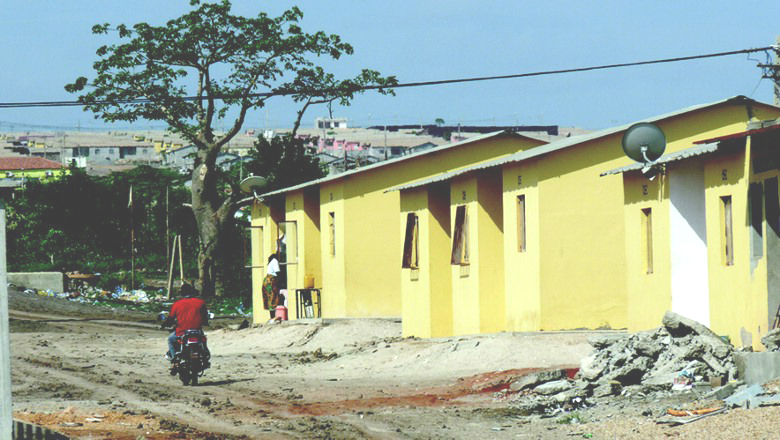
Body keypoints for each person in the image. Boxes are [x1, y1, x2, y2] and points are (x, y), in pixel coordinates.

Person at [162, 282, 210, 366]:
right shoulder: (200, 302)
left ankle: (175, 361)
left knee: (171, 340)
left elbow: (170, 318)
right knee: (203, 341)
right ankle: (205, 357)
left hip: (182, 332)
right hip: (197, 331)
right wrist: (205, 322)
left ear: (182, 294)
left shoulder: (177, 304)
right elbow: (205, 316)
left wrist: (164, 324)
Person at [262, 253, 282, 321]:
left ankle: (272, 317)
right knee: (273, 297)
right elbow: (277, 272)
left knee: (269, 298)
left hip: (267, 281)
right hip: (271, 281)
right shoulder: (275, 261)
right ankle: (273, 317)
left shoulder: (271, 262)